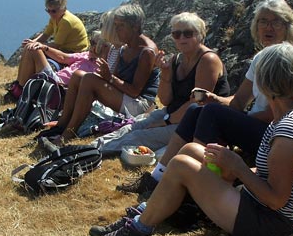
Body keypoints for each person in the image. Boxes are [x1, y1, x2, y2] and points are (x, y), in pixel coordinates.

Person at [86, 43, 293, 236]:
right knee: (191, 150)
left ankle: (137, 233)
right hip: (262, 206)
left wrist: (239, 168)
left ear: (265, 82)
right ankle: (143, 214)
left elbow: (276, 200)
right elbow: (277, 178)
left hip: (271, 223)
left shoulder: (289, 131)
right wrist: (233, 168)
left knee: (181, 165)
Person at [129, 0, 293, 194]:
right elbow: (239, 101)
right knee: (196, 109)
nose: (268, 27)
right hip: (260, 128)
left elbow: (277, 114)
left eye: (275, 21)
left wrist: (229, 117)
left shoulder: (288, 60)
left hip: (278, 136)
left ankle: (195, 184)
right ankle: (157, 178)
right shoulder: (262, 58)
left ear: (287, 27)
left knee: (212, 114)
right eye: (263, 21)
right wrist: (214, 99)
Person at [89, 11, 230, 156]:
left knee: (137, 137)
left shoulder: (208, 60)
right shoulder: (177, 59)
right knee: (132, 127)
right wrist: (166, 75)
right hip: (173, 114)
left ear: (200, 34)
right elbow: (165, 100)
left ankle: (91, 154)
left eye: (188, 33)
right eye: (176, 34)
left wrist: (166, 121)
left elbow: (198, 103)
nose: (181, 38)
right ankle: (88, 148)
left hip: (196, 123)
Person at [37, 4, 160, 143]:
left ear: (135, 27)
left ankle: (67, 135)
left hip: (140, 104)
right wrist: (105, 75)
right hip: (126, 96)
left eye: (121, 26)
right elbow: (115, 79)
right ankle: (62, 125)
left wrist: (109, 77)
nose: (117, 30)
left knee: (89, 80)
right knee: (78, 75)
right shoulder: (125, 47)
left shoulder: (147, 52)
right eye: (116, 25)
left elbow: (135, 91)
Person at [7, 0, 89, 100]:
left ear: (63, 8)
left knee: (33, 51)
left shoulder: (66, 22)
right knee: (29, 48)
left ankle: (20, 89)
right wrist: (33, 42)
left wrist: (38, 45)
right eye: (48, 10)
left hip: (70, 54)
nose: (50, 13)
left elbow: (56, 45)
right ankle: (19, 85)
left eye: (53, 11)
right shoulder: (56, 18)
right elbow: (46, 34)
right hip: (63, 50)